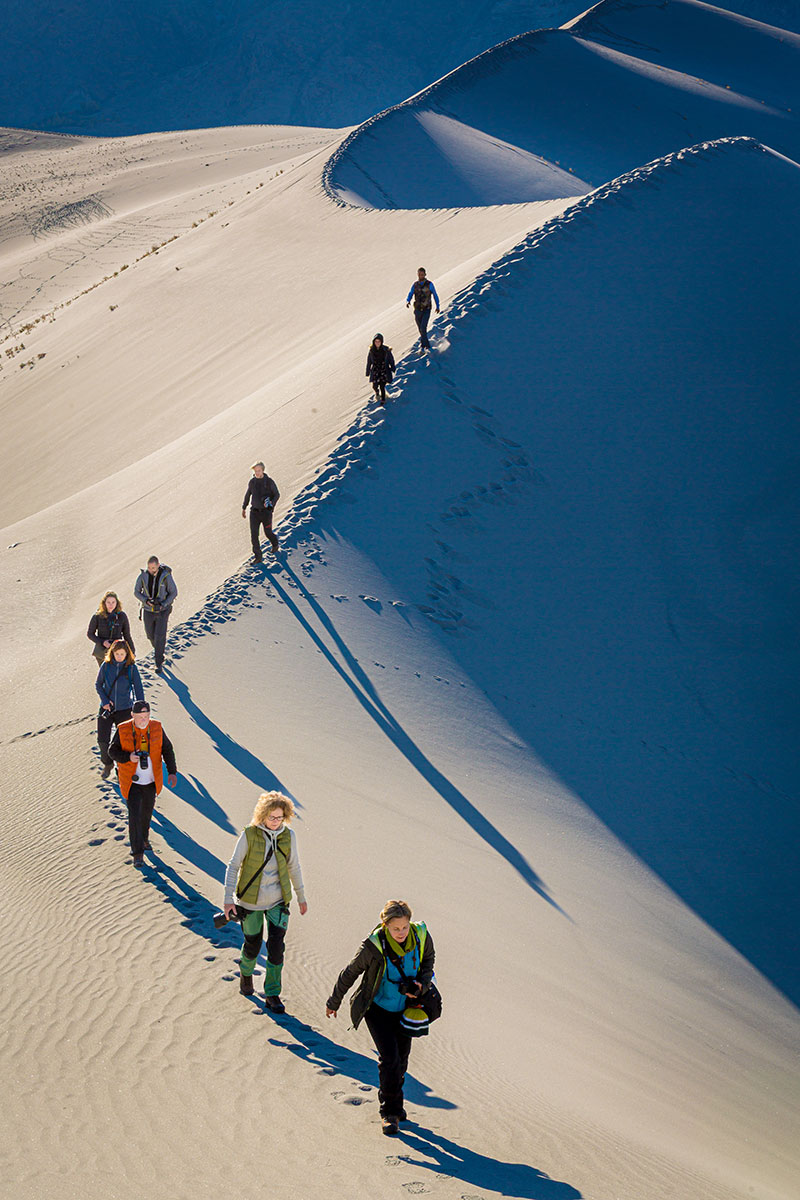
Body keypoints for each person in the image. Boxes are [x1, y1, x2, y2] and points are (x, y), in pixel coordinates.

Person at [326, 899, 435, 1135]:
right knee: (390, 1059)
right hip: (377, 1010)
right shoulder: (373, 946)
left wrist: (422, 985)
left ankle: (396, 1102)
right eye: (395, 928)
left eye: (404, 927)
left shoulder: (421, 936)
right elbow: (350, 972)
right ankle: (390, 1113)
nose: (401, 933)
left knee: (402, 1059)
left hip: (406, 1008)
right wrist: (334, 1001)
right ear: (385, 925)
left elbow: (429, 961)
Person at [223, 791, 307, 1012]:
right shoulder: (249, 835)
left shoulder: (289, 836)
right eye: (271, 817)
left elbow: (294, 867)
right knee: (252, 945)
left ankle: (272, 994)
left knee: (277, 947)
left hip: (278, 902)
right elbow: (233, 866)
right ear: (262, 815)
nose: (275, 822)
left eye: (280, 817)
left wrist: (301, 896)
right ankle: (246, 973)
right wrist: (227, 900)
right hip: (250, 902)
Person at [109, 700, 177, 867]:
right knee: (134, 816)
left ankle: (144, 839)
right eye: (140, 717)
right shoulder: (123, 729)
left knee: (146, 813)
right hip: (131, 782)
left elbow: (167, 749)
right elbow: (112, 751)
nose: (143, 720)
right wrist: (128, 757)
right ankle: (137, 853)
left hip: (151, 782)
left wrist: (172, 771)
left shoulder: (156, 728)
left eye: (146, 716)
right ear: (132, 715)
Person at [95, 640, 145, 779]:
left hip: (125, 709)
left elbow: (138, 688)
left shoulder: (131, 668)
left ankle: (121, 769)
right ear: (112, 653)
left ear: (127, 653)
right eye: (117, 654)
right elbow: (98, 685)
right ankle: (107, 764)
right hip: (107, 709)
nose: (119, 657)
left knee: (124, 742)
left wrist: (141, 708)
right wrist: (104, 701)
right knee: (102, 740)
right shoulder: (106, 666)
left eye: (122, 654)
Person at [133, 556, 177, 674]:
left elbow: (174, 592)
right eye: (149, 567)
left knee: (160, 635)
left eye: (153, 567)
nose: (151, 570)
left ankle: (159, 663)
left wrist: (164, 604)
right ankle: (159, 650)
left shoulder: (166, 576)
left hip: (163, 610)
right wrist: (145, 600)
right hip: (148, 610)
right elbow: (136, 592)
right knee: (150, 635)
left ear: (158, 566)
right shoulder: (143, 576)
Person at [242, 461, 280, 563]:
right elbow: (247, 495)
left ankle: (275, 543)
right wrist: (244, 507)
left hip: (266, 513)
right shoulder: (252, 482)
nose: (257, 473)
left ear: (263, 470)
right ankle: (258, 556)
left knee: (268, 532)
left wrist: (271, 505)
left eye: (259, 471)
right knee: (254, 535)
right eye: (255, 471)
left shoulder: (269, 482)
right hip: (254, 513)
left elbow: (277, 494)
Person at [87, 590, 135, 670]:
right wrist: (102, 642)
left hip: (118, 650)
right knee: (106, 674)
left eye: (113, 602)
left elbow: (127, 635)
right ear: (104, 603)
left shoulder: (122, 616)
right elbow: (90, 634)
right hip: (102, 651)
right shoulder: (97, 616)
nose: (111, 605)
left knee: (117, 673)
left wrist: (132, 651)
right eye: (108, 602)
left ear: (117, 603)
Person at [406, 267, 440, 351]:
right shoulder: (415, 285)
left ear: (425, 274)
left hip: (426, 309)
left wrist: (437, 306)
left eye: (422, 274)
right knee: (420, 329)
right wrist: (408, 301)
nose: (420, 276)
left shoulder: (430, 284)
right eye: (419, 274)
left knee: (423, 327)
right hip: (417, 309)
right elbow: (410, 293)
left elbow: (435, 295)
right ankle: (423, 345)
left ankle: (427, 346)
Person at [365, 334, 396, 405]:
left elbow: (391, 359)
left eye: (379, 341)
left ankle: (383, 399)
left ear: (381, 342)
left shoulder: (386, 350)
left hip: (384, 369)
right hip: (375, 370)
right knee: (375, 385)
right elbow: (369, 361)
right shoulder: (371, 350)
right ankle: (377, 393)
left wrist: (393, 367)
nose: (377, 343)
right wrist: (367, 371)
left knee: (382, 385)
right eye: (376, 341)